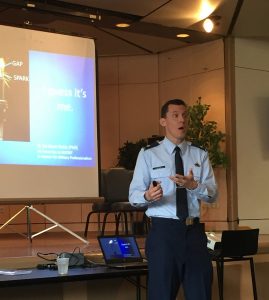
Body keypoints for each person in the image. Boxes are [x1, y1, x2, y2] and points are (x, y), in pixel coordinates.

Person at [129, 98, 218, 300]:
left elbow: (213, 194)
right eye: (175, 115)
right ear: (163, 121)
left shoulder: (199, 153)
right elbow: (134, 195)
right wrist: (147, 196)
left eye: (185, 116)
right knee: (161, 294)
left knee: (201, 294)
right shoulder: (149, 154)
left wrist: (193, 185)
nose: (182, 120)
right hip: (163, 234)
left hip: (194, 233)